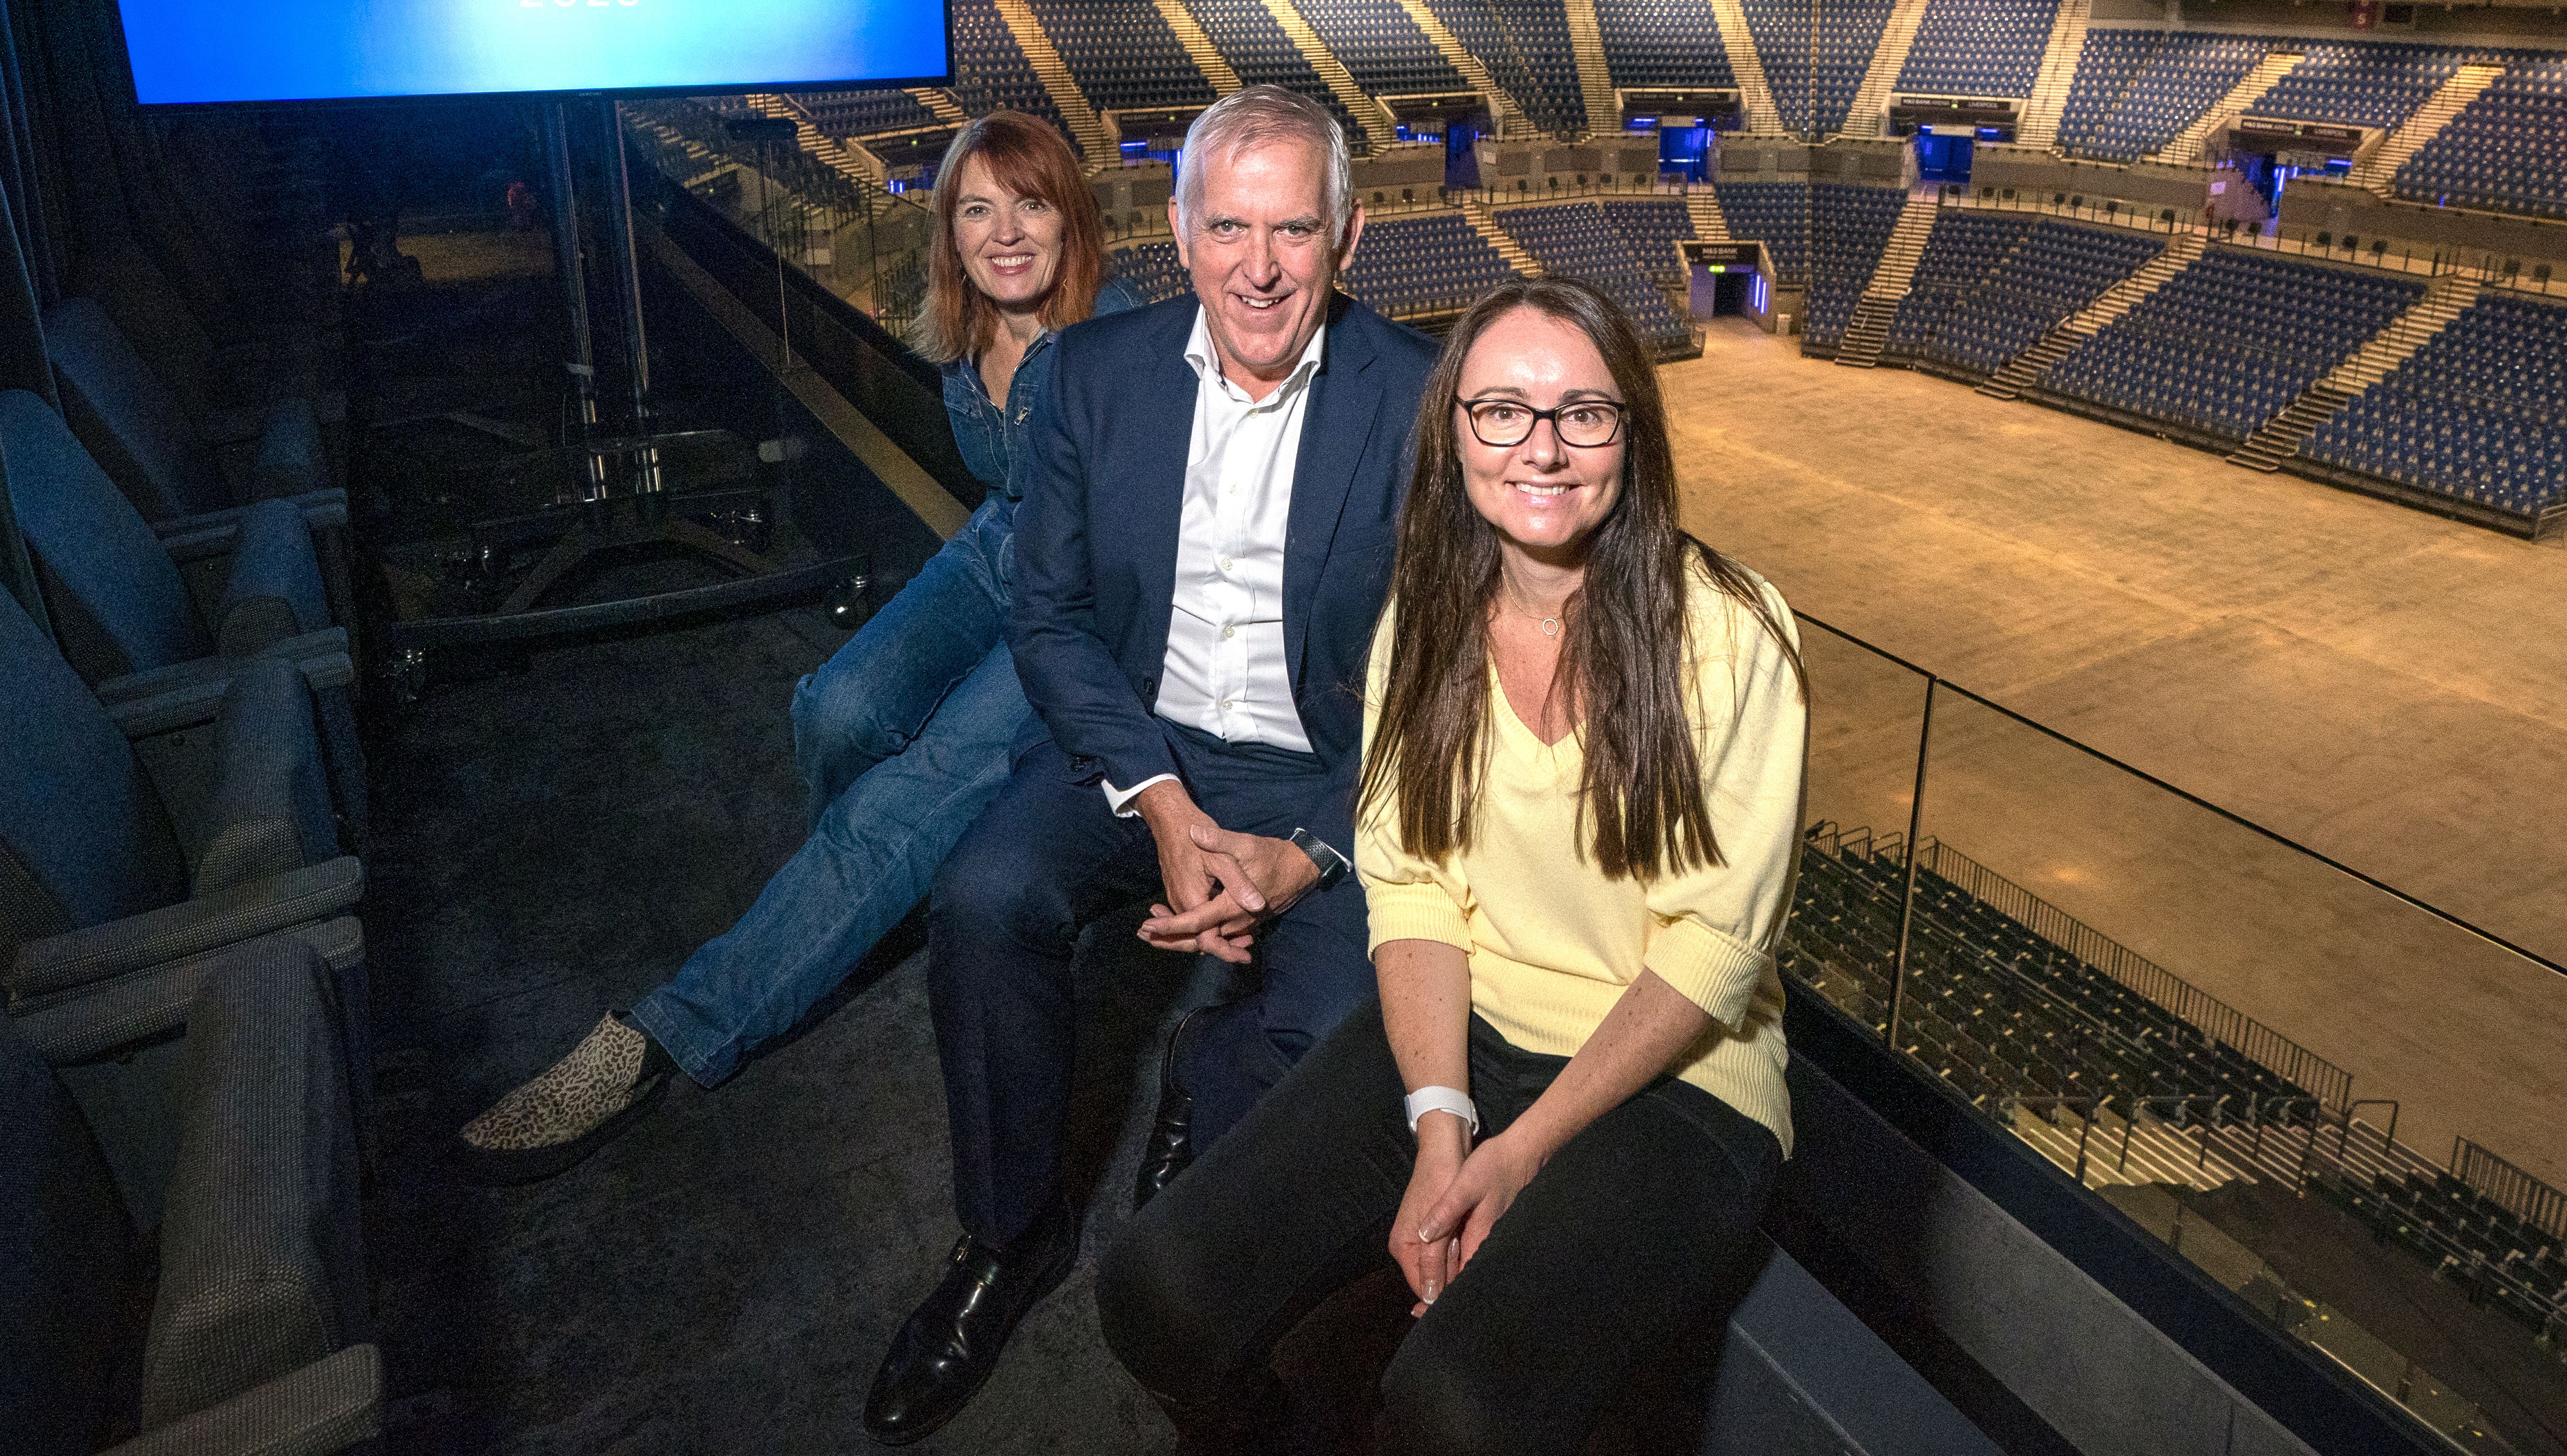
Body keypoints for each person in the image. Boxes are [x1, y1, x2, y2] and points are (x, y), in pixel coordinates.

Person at [1096, 277, 1810, 1456]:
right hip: (1461, 1024)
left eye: (1583, 413)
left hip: (1677, 1073)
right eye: (1500, 411)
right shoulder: (1422, 626)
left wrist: (1517, 1150)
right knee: (1153, 1291)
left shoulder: (1733, 633)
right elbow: (1414, 886)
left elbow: (1713, 955)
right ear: (1453, 437)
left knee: (1456, 1410)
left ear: (1631, 434)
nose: (1541, 447)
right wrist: (1441, 1124)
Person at [860, 86, 1439, 1444]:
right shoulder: (1089, 377)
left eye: (1291, 229)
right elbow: (1048, 620)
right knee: (982, 897)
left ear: (1343, 236)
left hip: (1318, 779)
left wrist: (1308, 851)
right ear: (1178, 232)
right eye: (1226, 226)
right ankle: (1005, 1237)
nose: (1258, 266)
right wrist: (1162, 803)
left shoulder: (1419, 399)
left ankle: (1204, 1096)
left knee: (1338, 1017)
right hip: (1138, 754)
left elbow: (1440, 675)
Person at [454, 111, 1137, 1184]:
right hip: (1003, 544)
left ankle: (673, 1027)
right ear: (950, 234)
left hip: (1084, 600)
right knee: (835, 707)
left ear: (1072, 217)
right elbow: (1008, 494)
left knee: (912, 792)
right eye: (977, 209)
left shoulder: (1117, 346)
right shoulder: (966, 335)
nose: (1005, 232)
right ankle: (857, 904)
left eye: (1032, 203)